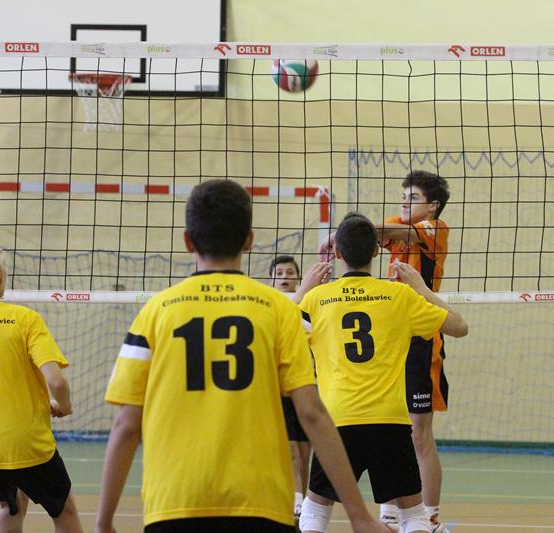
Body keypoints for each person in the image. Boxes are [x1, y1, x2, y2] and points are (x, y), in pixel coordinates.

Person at [95, 180, 389, 533]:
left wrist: (103, 523)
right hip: (261, 504)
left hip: (174, 504)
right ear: (249, 240)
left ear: (188, 241)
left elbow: (126, 425)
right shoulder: (278, 310)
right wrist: (359, 516)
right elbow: (312, 413)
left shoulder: (155, 312)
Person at [300, 213, 468, 533]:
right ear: (377, 251)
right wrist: (422, 288)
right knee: (413, 516)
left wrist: (303, 291)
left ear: (338, 253)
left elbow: (280, 332)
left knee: (315, 512)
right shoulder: (400, 295)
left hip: (338, 421)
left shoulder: (317, 299)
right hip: (390, 421)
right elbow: (460, 327)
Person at [0, 239, 82, 533]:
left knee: (12, 506)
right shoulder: (24, 319)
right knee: (64, 510)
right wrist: (64, 406)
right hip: (26, 444)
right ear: (1, 275)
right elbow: (56, 381)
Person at [268, 255, 331, 521]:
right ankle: (292, 500)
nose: (284, 276)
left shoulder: (308, 305)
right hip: (277, 385)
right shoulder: (269, 304)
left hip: (305, 384)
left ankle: (301, 500)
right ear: (271, 279)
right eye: (279, 272)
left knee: (304, 452)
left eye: (289, 272)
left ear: (298, 278)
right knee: (290, 449)